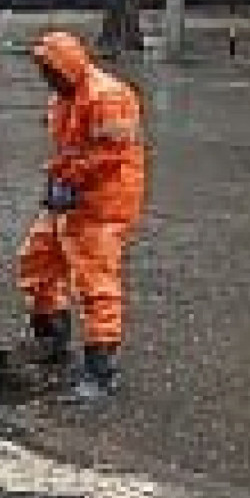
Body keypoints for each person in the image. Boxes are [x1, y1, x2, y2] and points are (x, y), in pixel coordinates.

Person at [16, 31, 146, 401]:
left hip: (106, 202)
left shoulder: (109, 96)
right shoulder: (63, 97)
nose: (45, 76)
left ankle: (101, 369)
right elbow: (68, 146)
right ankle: (51, 339)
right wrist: (58, 175)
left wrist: (67, 176)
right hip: (72, 195)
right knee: (38, 260)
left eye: (48, 68)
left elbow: (112, 154)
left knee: (94, 282)